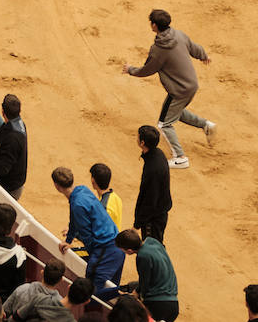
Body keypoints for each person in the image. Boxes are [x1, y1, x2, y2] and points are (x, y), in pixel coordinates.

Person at [123, 9, 216, 168]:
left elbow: (147, 70)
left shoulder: (158, 50)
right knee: (174, 112)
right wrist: (204, 56)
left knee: (164, 124)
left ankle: (180, 157)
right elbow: (194, 47)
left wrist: (130, 69)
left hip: (179, 90)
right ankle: (205, 125)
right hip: (191, 84)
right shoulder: (179, 35)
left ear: (154, 25)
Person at [51, 166, 119, 301]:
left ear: (57, 186)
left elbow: (88, 237)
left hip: (104, 250)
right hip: (116, 243)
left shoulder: (77, 204)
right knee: (112, 288)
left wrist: (94, 258)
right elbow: (74, 220)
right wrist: (69, 240)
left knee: (90, 292)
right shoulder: (82, 189)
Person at [114, 230, 178, 322]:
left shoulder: (142, 256)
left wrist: (135, 295)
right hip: (173, 305)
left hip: (157, 307)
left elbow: (145, 284)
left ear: (129, 250)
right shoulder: (153, 242)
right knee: (133, 285)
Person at [131, 125, 171, 243]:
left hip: (153, 218)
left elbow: (150, 201)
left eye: (137, 137)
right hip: (159, 212)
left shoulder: (153, 169)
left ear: (142, 142)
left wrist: (137, 225)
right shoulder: (158, 154)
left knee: (153, 247)